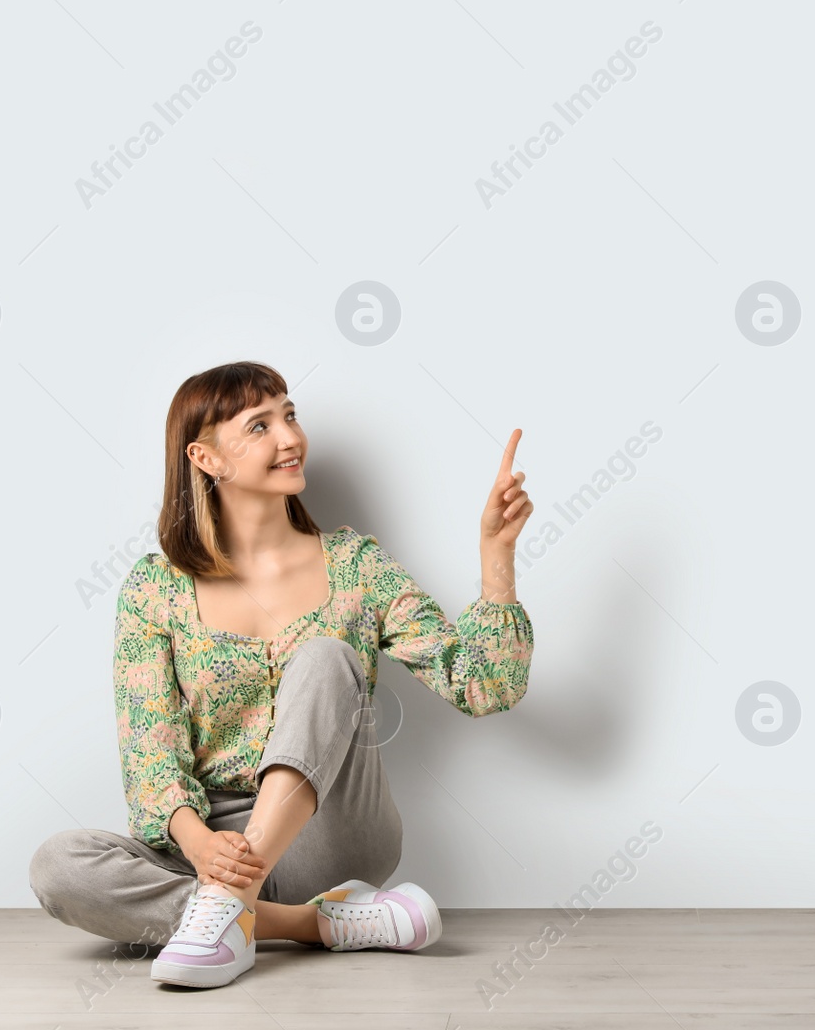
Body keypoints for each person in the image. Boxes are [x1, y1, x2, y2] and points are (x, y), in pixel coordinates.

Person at [28, 360, 536, 989]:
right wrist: (196, 844)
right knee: (59, 866)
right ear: (206, 457)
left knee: (325, 655)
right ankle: (314, 925)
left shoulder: (356, 565)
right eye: (260, 425)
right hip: (212, 842)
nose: (290, 437)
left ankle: (221, 913)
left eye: (290, 416)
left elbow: (484, 686)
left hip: (332, 834)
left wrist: (497, 558)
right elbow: (149, 749)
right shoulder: (154, 589)